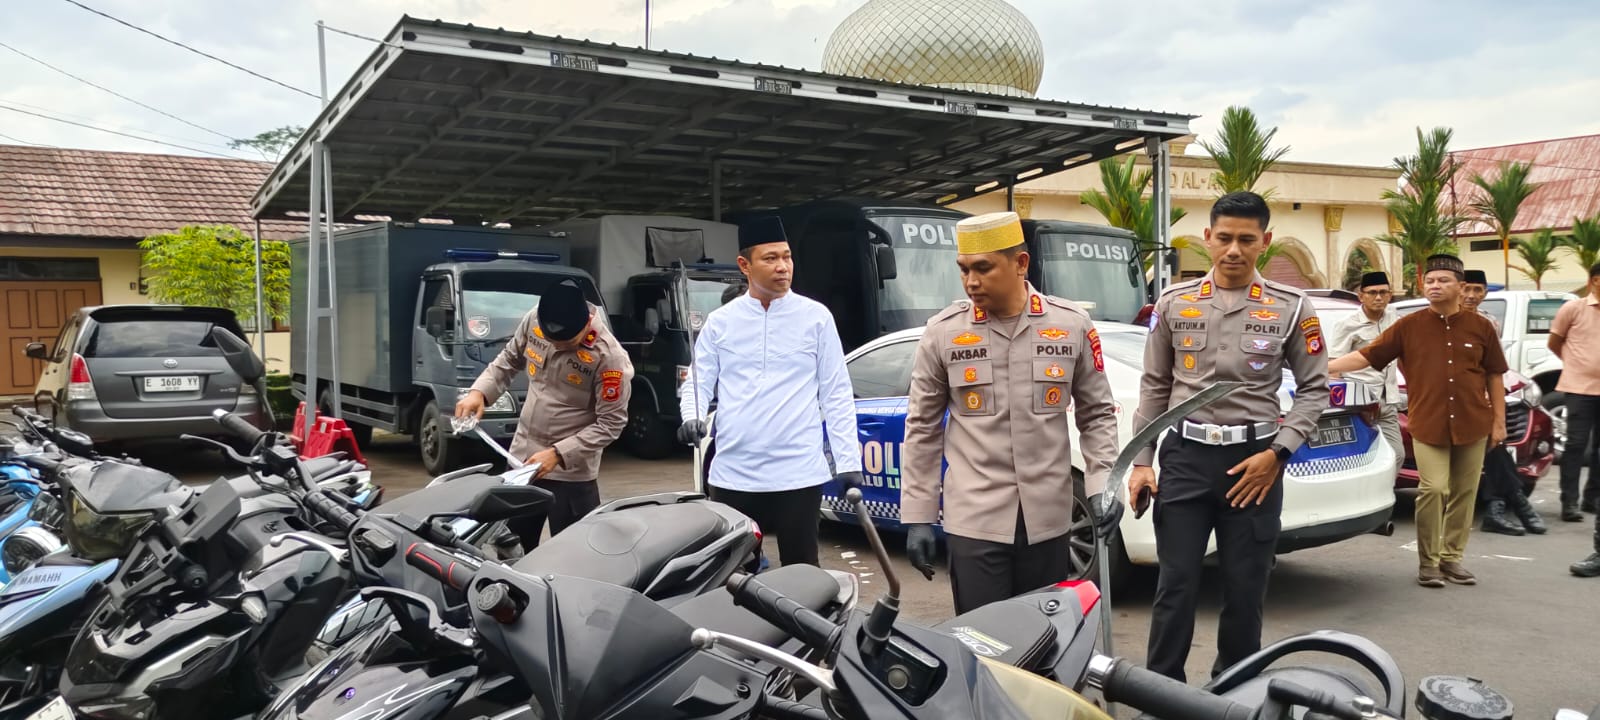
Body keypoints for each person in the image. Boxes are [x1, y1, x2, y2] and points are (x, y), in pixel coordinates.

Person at [1129, 191, 1329, 683]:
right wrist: (1141, 461)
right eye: (1224, 238)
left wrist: (1278, 455)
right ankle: (1161, 692)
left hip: (1255, 464)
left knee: (1245, 589)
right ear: (1207, 238)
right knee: (1175, 586)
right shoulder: (1174, 303)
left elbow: (1314, 389)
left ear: (1265, 241)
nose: (1234, 249)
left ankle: (1234, 692)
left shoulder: (1292, 307)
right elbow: (1155, 385)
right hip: (1186, 458)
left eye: (1246, 239)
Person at [899, 211, 1121, 615]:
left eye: (983, 268)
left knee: (1043, 639)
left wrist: (1103, 484)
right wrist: (918, 516)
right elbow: (922, 428)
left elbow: (1097, 414)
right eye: (964, 269)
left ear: (1020, 263)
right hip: (975, 522)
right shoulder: (944, 332)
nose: (971, 281)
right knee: (981, 641)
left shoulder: (1070, 325)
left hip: (1048, 522)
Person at [676, 217, 862, 568]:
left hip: (799, 474)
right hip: (733, 474)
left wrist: (848, 462)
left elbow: (836, 393)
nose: (783, 267)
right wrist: (692, 417)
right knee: (733, 574)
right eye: (770, 258)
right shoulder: (721, 322)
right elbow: (698, 382)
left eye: (787, 257)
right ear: (744, 265)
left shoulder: (816, 318)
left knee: (801, 574)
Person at [1329, 254, 1507, 588]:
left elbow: (1494, 375)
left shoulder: (1481, 327)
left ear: (1460, 286)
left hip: (1473, 422)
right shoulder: (1408, 326)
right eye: (1430, 281)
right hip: (1428, 422)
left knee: (1465, 492)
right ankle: (1429, 563)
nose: (1435, 286)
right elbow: (1366, 356)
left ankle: (1452, 558)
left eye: (1443, 281)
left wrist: (1499, 421)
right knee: (1434, 488)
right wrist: (1323, 368)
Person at [456, 278, 634, 551]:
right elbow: (509, 359)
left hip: (571, 475)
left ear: (586, 324)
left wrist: (559, 454)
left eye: (566, 342)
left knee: (574, 553)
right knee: (510, 547)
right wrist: (479, 391)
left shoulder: (609, 358)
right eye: (550, 340)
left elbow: (611, 423)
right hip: (522, 462)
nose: (557, 346)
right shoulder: (534, 321)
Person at [1460, 269, 1545, 535]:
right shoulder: (1444, 320)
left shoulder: (1489, 323)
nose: (1471, 295)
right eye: (1466, 288)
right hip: (1452, 401)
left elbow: (1494, 368)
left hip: (1481, 399)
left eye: (1478, 290)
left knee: (1495, 447)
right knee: (1494, 448)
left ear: (1485, 293)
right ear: (1457, 288)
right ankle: (1518, 504)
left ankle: (1497, 509)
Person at [1327, 271, 1403, 469]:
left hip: (1388, 400)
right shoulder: (1347, 325)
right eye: (1372, 293)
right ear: (1361, 296)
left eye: (1383, 292)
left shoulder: (1394, 318)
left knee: (1396, 455)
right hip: (1359, 402)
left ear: (1390, 295)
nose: (1378, 298)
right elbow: (1334, 368)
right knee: (1362, 460)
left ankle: (1387, 489)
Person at [1554, 263, 1600, 574]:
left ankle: (1591, 498)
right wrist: (1575, 364)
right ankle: (1569, 502)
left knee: (1599, 451)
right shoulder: (1573, 308)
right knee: (1575, 445)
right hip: (1579, 388)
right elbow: (1555, 341)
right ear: (1595, 280)